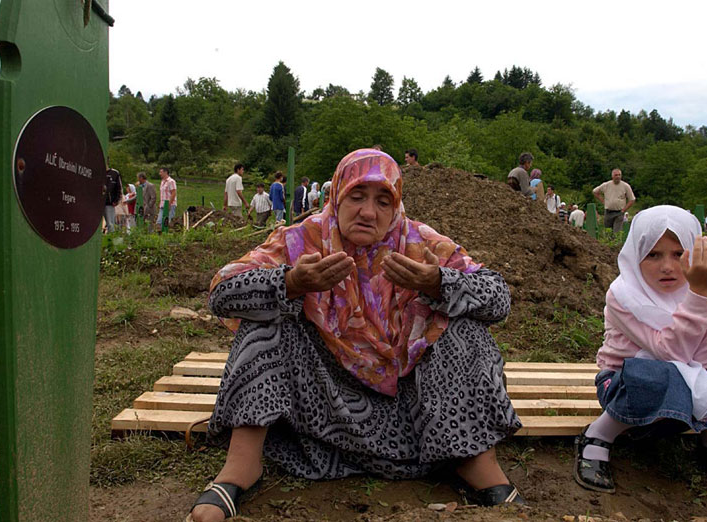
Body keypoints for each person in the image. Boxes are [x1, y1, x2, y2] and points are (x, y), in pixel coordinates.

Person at [187, 149, 523, 522]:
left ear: (396, 207)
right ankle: (242, 466)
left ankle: (475, 461)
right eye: (357, 196)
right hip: (324, 407)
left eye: (383, 201)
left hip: (412, 414)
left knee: (462, 320)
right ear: (336, 196)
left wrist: (439, 282)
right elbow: (221, 293)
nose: (368, 212)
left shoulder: (420, 243)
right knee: (268, 312)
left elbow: (499, 299)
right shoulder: (303, 240)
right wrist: (291, 282)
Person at [574, 205, 707, 501]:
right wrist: (701, 294)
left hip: (684, 376)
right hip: (624, 384)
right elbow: (669, 352)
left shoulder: (696, 287)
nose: (667, 267)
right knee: (660, 376)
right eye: (653, 255)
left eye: (678, 254)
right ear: (635, 255)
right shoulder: (624, 295)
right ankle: (599, 433)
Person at [593, 169, 635, 234]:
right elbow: (595, 192)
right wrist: (603, 201)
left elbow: (632, 199)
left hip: (619, 212)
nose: (618, 177)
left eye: (619, 175)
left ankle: (616, 240)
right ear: (612, 176)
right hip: (608, 212)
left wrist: (624, 210)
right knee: (608, 232)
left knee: (617, 232)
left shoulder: (625, 186)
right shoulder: (606, 185)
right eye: (616, 175)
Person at [104, 166, 124, 233]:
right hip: (96, 203)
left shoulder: (115, 173)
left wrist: (116, 200)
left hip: (109, 203)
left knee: (110, 223)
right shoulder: (96, 170)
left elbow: (119, 188)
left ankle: (111, 238)